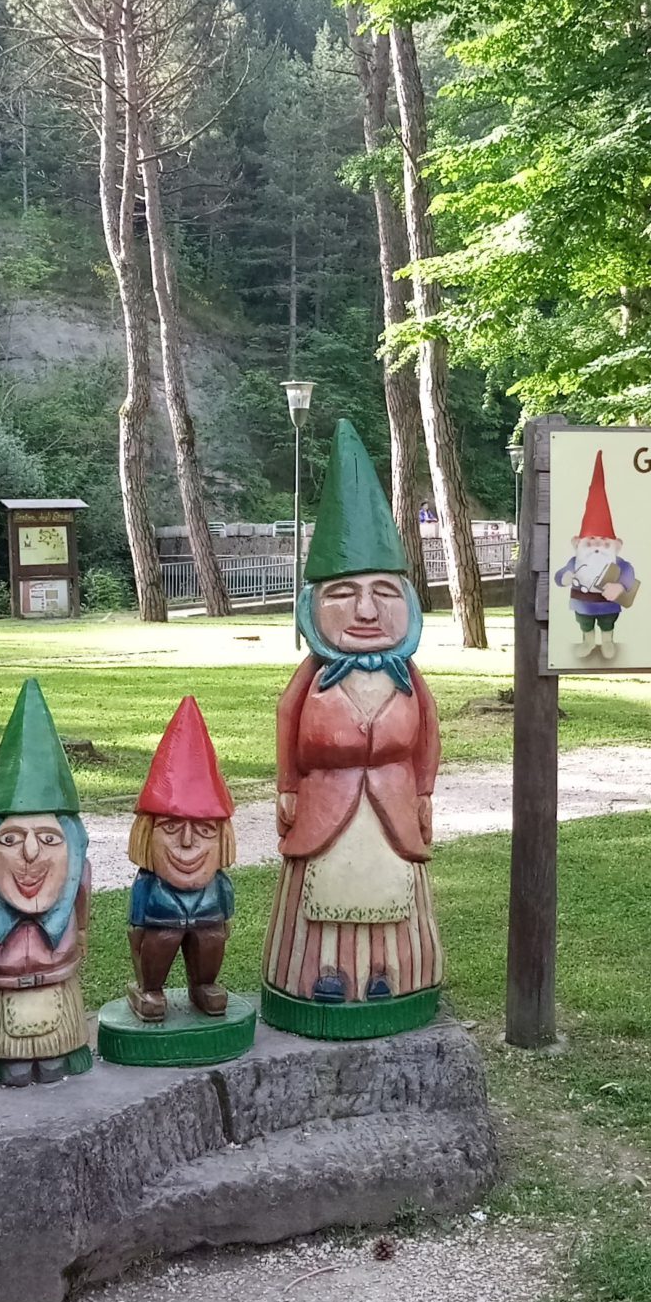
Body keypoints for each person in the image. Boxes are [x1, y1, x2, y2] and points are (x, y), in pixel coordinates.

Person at [262, 420, 445, 1035]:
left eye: (383, 592)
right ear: (314, 605)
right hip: (325, 804)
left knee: (390, 885)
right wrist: (288, 785)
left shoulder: (409, 676)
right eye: (343, 593)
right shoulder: (311, 678)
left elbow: (428, 737)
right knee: (326, 886)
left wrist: (422, 793)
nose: (366, 610)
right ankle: (319, 975)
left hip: (392, 805)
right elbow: (288, 719)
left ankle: (397, 975)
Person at [0, 678, 93, 1085]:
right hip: (1, 991)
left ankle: (60, 1050)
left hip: (56, 985)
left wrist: (81, 934)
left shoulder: (73, 893)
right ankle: (3, 1059)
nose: (32, 853)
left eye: (50, 838)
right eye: (11, 839)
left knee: (55, 1054)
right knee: (11, 1062)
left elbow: (82, 913)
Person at [127, 696, 236, 1022]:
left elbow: (226, 922)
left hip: (206, 920)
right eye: (172, 828)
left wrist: (224, 923)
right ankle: (151, 987)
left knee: (212, 938)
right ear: (147, 834)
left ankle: (204, 984)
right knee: (161, 940)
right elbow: (136, 927)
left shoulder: (217, 886)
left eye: (204, 830)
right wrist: (138, 937)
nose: (186, 843)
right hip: (163, 925)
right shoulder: (149, 884)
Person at [553, 452, 639, 659]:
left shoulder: (618, 563)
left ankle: (607, 641)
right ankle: (588, 642)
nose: (597, 546)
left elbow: (628, 574)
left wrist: (619, 586)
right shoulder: (576, 561)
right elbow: (561, 575)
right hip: (583, 603)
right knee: (584, 623)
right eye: (590, 541)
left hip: (609, 604)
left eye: (603, 541)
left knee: (608, 623)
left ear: (616, 545)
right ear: (577, 543)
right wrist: (565, 578)